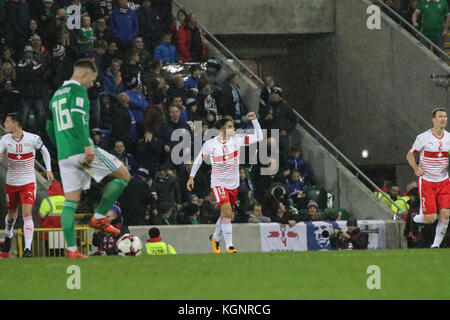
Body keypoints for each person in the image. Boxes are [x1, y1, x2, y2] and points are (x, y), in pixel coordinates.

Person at [46, 58, 131, 259]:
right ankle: (100, 217)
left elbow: (49, 126)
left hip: (64, 154)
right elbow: (76, 117)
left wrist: (60, 145)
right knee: (123, 176)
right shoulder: (78, 91)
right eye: (92, 79)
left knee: (70, 202)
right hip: (82, 149)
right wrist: (85, 142)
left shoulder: (56, 95)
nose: (92, 84)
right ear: (84, 74)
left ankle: (72, 250)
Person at [187, 112, 263, 253]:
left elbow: (259, 136)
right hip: (218, 183)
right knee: (227, 212)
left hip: (233, 184)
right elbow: (198, 159)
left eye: (233, 126)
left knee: (225, 214)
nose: (233, 129)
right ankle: (229, 246)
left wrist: (255, 121)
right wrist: (191, 176)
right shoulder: (211, 144)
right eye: (230, 126)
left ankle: (215, 237)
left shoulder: (237, 140)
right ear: (222, 129)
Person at [0, 113, 53, 258]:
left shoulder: (33, 138)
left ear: (15, 124)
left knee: (27, 213)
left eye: (7, 121)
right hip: (11, 183)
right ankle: (9, 234)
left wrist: (48, 169)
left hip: (28, 182)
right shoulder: (5, 139)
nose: (5, 124)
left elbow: (45, 152)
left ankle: (27, 249)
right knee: (12, 216)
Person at [406, 107, 450, 248]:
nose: (443, 119)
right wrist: (416, 169)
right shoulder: (423, 137)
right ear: (433, 119)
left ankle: (435, 245)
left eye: (445, 116)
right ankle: (415, 218)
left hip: (444, 181)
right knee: (430, 219)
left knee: (445, 215)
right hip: (427, 182)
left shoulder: (449, 137)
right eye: (440, 116)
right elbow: (410, 155)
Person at [38, 180, 64, 257]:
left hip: (49, 231)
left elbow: (41, 216)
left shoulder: (47, 201)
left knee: (50, 254)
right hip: (63, 231)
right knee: (61, 253)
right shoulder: (66, 200)